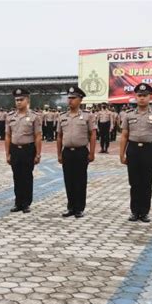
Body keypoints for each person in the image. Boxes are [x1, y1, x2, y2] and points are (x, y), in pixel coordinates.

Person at [120, 83, 152, 223]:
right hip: (133, 150)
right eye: (139, 95)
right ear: (136, 97)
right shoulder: (128, 115)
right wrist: (121, 154)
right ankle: (134, 212)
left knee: (146, 183)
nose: (142, 98)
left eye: (145, 96)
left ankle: (144, 212)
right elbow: (124, 135)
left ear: (150, 97)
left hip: (149, 150)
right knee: (134, 183)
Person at [57, 86, 97, 218]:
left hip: (81, 152)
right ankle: (71, 207)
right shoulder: (62, 116)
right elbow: (59, 136)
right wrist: (59, 153)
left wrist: (91, 152)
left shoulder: (87, 116)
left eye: (73, 98)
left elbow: (92, 134)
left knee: (80, 180)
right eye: (69, 98)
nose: (70, 101)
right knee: (68, 180)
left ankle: (79, 208)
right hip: (67, 152)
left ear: (80, 100)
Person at [5, 88, 42, 213]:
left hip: (28, 149)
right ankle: (18, 202)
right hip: (15, 149)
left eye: (21, 99)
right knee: (17, 177)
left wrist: (38, 154)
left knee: (27, 177)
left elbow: (38, 136)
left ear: (27, 100)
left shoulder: (34, 117)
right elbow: (8, 136)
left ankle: (26, 203)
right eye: (16, 100)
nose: (19, 102)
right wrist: (7, 153)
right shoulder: (10, 117)